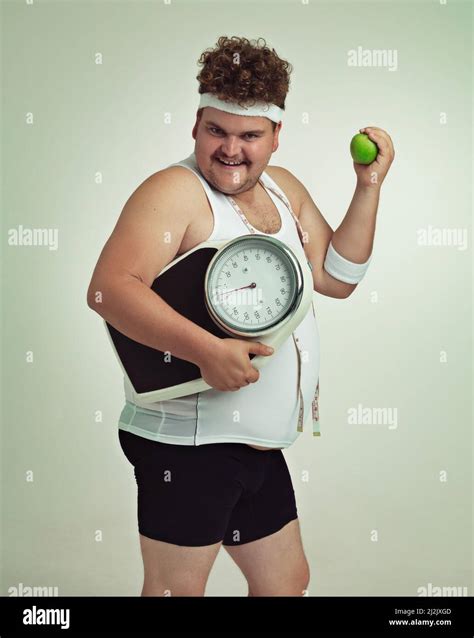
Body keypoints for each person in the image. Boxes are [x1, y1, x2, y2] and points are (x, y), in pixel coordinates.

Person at [87, 36, 394, 597]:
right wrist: (205, 351)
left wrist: (367, 186)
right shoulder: (174, 192)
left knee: (284, 583)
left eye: (250, 135)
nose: (231, 150)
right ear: (196, 123)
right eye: (216, 131)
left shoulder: (281, 188)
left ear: (277, 134)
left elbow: (337, 278)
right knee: (176, 592)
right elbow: (109, 290)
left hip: (255, 443)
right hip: (189, 445)